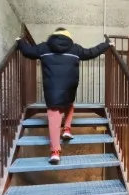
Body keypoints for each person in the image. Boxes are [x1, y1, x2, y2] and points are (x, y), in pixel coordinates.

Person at [16, 29, 113, 164]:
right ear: (68, 37)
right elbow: (91, 52)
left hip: (52, 89)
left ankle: (55, 152)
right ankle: (67, 129)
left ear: (53, 36)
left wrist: (20, 42)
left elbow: (28, 51)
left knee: (54, 118)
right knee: (69, 103)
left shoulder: (44, 47)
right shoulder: (75, 49)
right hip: (69, 86)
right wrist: (106, 44)